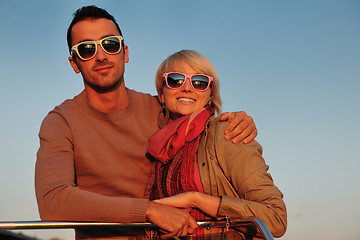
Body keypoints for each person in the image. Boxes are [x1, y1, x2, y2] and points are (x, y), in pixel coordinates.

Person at [34, 5, 258, 240]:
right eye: (86, 49)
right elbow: (53, 201)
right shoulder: (60, 122)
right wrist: (148, 211)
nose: (101, 56)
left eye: (110, 44)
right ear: (74, 63)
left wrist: (237, 120)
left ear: (125, 52)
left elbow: (204, 128)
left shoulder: (161, 109)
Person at [144, 50, 287, 238]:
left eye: (199, 82)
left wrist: (196, 199)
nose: (187, 88)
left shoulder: (228, 133)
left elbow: (276, 218)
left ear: (211, 94)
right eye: (175, 79)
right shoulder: (158, 146)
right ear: (162, 94)